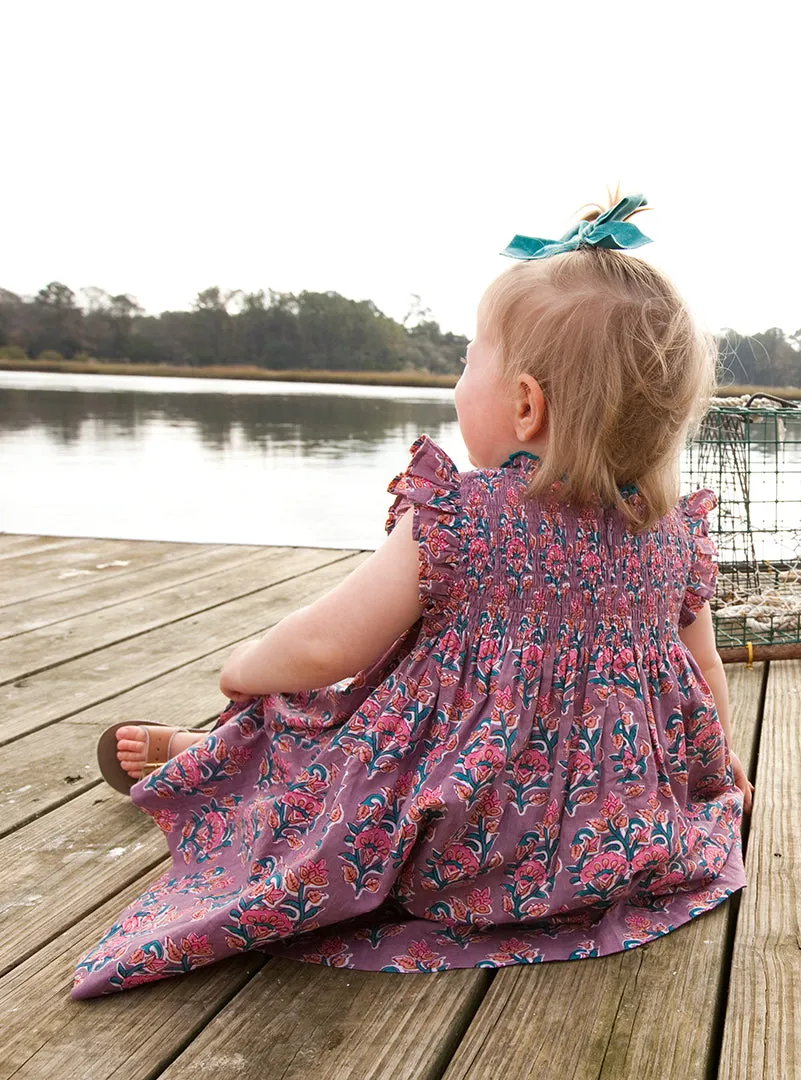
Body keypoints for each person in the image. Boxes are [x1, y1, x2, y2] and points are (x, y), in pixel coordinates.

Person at [72, 194, 752, 999]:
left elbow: (329, 646)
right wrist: (716, 777)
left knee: (319, 723)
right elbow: (702, 674)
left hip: (461, 840)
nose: (459, 378)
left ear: (526, 403)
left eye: (469, 360)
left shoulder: (461, 517)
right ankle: (209, 758)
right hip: (622, 839)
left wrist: (245, 667)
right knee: (349, 730)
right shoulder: (670, 534)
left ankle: (210, 756)